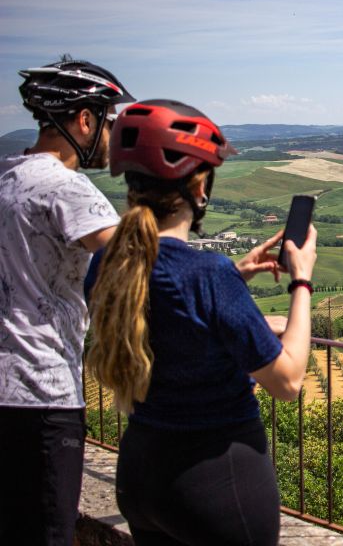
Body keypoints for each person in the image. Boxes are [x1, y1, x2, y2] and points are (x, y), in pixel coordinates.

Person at [84, 99, 317, 545]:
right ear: (199, 186)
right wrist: (301, 280)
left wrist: (234, 275)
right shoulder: (206, 277)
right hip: (217, 479)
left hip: (140, 473)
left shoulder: (107, 265)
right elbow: (287, 381)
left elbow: (173, 310)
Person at [0, 57, 135, 545]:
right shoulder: (66, 188)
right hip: (40, 391)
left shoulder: (6, 176)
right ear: (83, 119)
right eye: (108, 119)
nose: (110, 132)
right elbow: (141, 263)